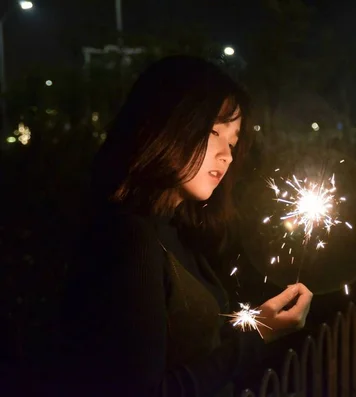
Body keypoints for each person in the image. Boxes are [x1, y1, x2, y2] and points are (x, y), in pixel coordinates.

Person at [53, 55, 313, 397]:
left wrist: (259, 321)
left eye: (233, 142)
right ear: (167, 125)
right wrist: (258, 335)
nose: (227, 155)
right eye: (213, 131)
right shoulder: (130, 238)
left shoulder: (174, 229)